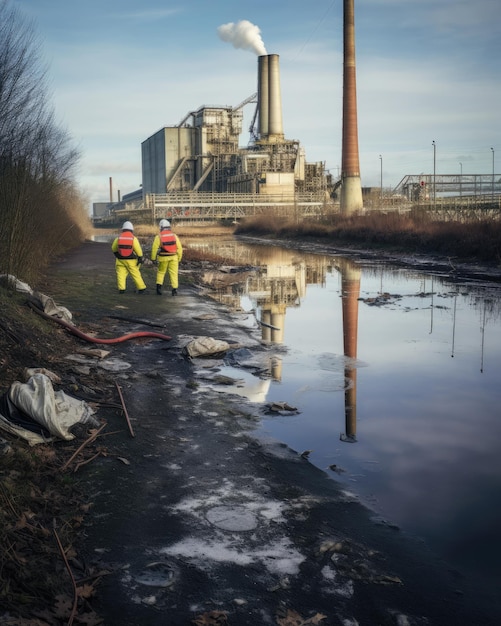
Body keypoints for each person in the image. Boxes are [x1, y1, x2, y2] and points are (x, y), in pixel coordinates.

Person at [111, 221, 147, 294]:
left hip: (120, 260)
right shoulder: (133, 238)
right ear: (131, 230)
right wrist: (140, 258)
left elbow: (113, 248)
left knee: (120, 274)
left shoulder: (118, 238)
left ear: (123, 229)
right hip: (131, 260)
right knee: (135, 274)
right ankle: (141, 288)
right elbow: (138, 250)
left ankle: (122, 289)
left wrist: (117, 255)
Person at [150, 219, 183, 296]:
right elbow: (179, 248)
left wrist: (153, 258)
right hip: (174, 257)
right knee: (174, 274)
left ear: (161, 227)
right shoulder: (174, 236)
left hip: (163, 258)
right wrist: (179, 258)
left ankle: (158, 288)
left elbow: (154, 248)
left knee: (161, 272)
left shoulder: (158, 237)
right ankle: (174, 290)